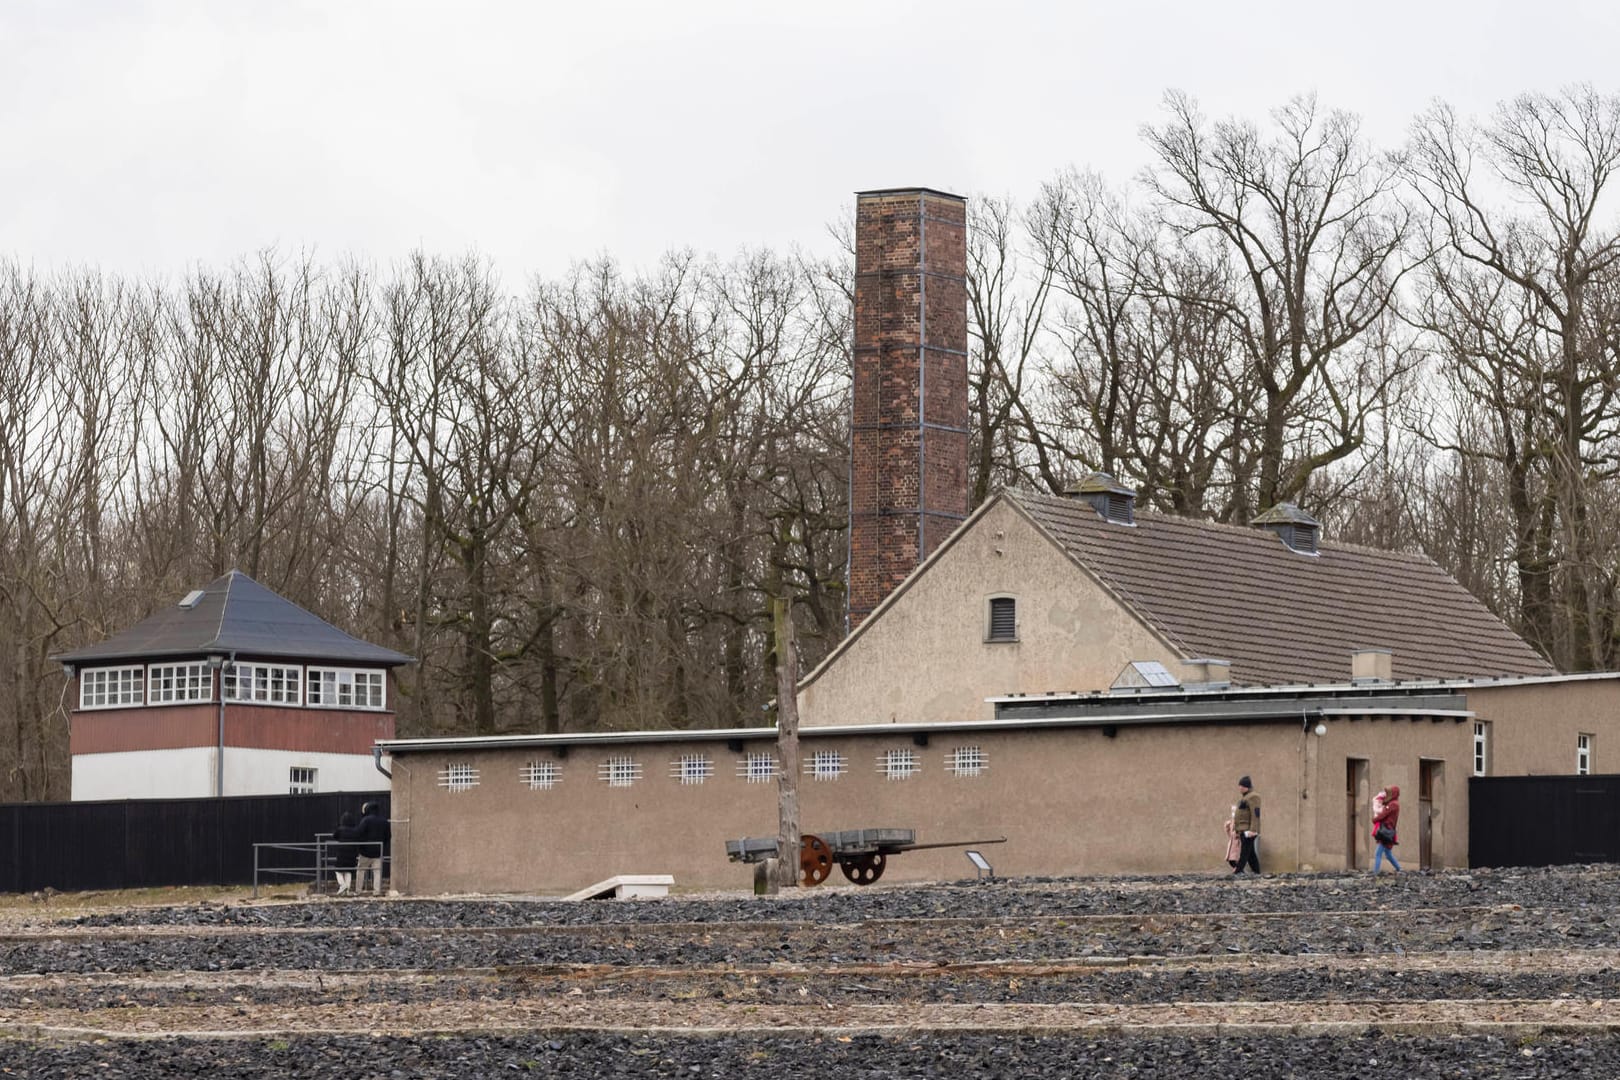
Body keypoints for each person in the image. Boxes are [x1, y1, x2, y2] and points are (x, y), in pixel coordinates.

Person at [355, 801, 391, 895]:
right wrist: (383, 845)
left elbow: (359, 833)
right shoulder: (384, 821)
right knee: (377, 872)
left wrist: (360, 847)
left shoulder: (365, 820)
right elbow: (388, 836)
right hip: (378, 851)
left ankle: (358, 890)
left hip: (365, 852)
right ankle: (376, 892)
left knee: (361, 871)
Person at [1232, 776, 1261, 874]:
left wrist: (1253, 830)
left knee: (1244, 852)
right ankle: (1257, 872)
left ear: (1247, 786)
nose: (1240, 788)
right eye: (1239, 785)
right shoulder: (1244, 797)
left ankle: (1237, 871)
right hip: (1242, 829)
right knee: (1250, 853)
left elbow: (1255, 814)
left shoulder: (1253, 797)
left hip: (1248, 830)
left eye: (1242, 786)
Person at [1372, 784, 1402, 874]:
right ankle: (1399, 869)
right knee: (1388, 854)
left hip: (1386, 831)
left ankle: (1375, 873)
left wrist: (1375, 819)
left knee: (1378, 853)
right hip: (1389, 830)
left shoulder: (1393, 805)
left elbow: (1383, 814)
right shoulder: (1394, 804)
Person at [330, 812, 360, 895]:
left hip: (342, 852)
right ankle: (347, 891)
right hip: (352, 853)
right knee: (348, 871)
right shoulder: (355, 830)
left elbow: (334, 836)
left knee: (338, 870)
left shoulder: (340, 829)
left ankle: (343, 885)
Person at [1223, 805, 1241, 870]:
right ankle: (1237, 870)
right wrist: (1227, 825)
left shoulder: (1239, 821)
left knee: (1234, 860)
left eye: (1234, 812)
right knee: (1231, 860)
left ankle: (1237, 870)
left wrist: (1236, 832)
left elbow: (1239, 832)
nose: (1233, 813)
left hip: (1237, 844)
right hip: (1231, 844)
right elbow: (1229, 832)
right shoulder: (1232, 821)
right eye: (1232, 812)